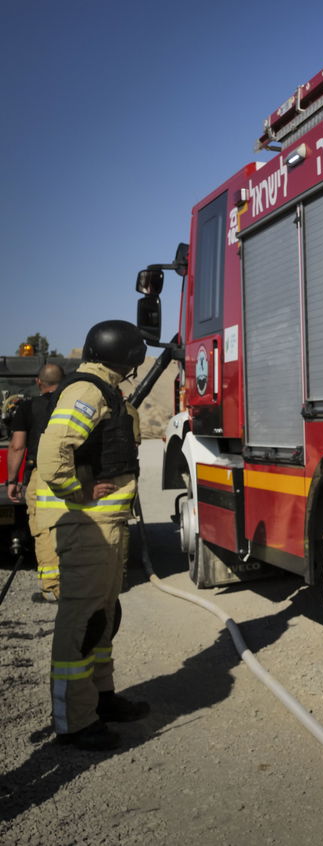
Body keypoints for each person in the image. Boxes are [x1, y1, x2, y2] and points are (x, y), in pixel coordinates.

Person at [34, 320, 150, 751]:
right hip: (87, 526)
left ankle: (101, 699)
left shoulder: (106, 390)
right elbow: (52, 454)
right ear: (125, 357)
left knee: (102, 618)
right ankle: (75, 723)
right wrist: (77, 491)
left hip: (105, 526)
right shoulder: (87, 391)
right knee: (81, 623)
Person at [6, 362, 66, 601]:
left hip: (42, 476)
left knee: (44, 530)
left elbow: (17, 446)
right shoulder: (72, 405)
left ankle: (52, 587)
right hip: (73, 473)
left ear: (38, 382)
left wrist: (12, 480)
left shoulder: (28, 407)